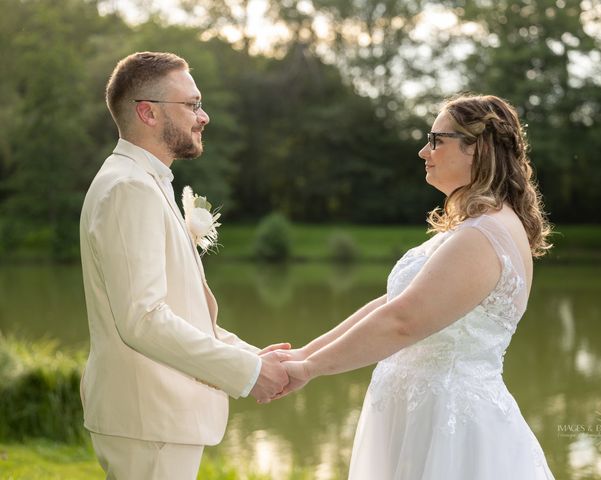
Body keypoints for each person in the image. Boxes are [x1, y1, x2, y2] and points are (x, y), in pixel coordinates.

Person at [274, 94, 555, 479]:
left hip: (450, 426)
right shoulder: (472, 228)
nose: (425, 151)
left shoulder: (484, 234)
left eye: (437, 139)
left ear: (479, 148)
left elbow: (403, 321)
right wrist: (303, 353)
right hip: (420, 413)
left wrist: (309, 369)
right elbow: (391, 303)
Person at [79, 52, 289, 479]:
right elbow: (143, 320)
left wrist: (248, 354)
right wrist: (246, 373)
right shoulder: (128, 188)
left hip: (155, 419)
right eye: (192, 105)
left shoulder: (145, 182)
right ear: (147, 112)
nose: (204, 116)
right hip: (149, 417)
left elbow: (178, 307)